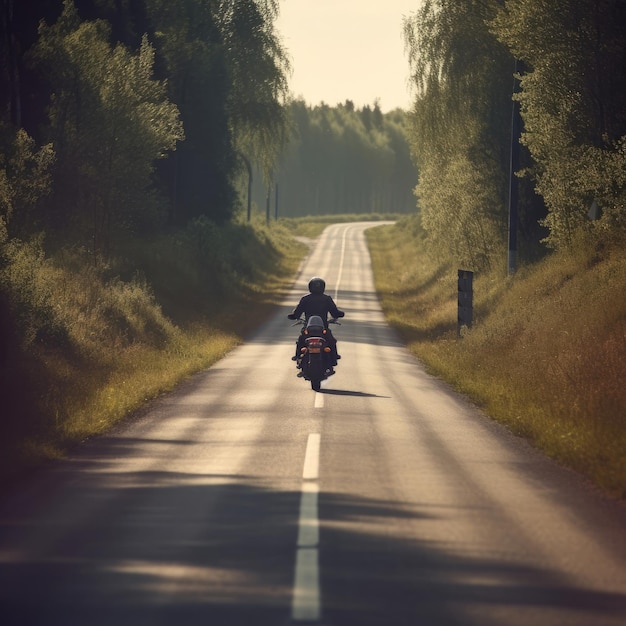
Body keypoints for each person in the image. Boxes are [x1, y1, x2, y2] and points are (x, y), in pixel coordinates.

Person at [287, 277, 344, 372]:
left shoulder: (305, 299)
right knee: (331, 341)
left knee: (301, 340)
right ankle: (334, 358)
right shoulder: (327, 299)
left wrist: (293, 316)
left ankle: (297, 356)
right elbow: (335, 313)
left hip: (308, 329)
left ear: (310, 287)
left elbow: (297, 313)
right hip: (323, 329)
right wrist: (339, 314)